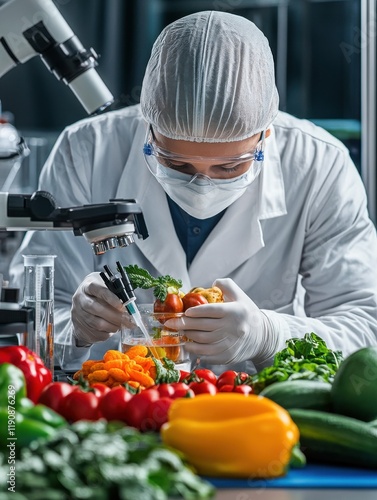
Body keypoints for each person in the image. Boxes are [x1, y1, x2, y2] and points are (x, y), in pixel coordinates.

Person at [9, 11, 377, 372]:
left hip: (256, 413)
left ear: (267, 134)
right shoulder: (87, 150)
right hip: (119, 404)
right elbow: (28, 324)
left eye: (229, 167)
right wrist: (75, 328)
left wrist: (270, 336)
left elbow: (366, 327)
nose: (202, 185)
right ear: (148, 128)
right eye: (178, 165)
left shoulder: (319, 165)